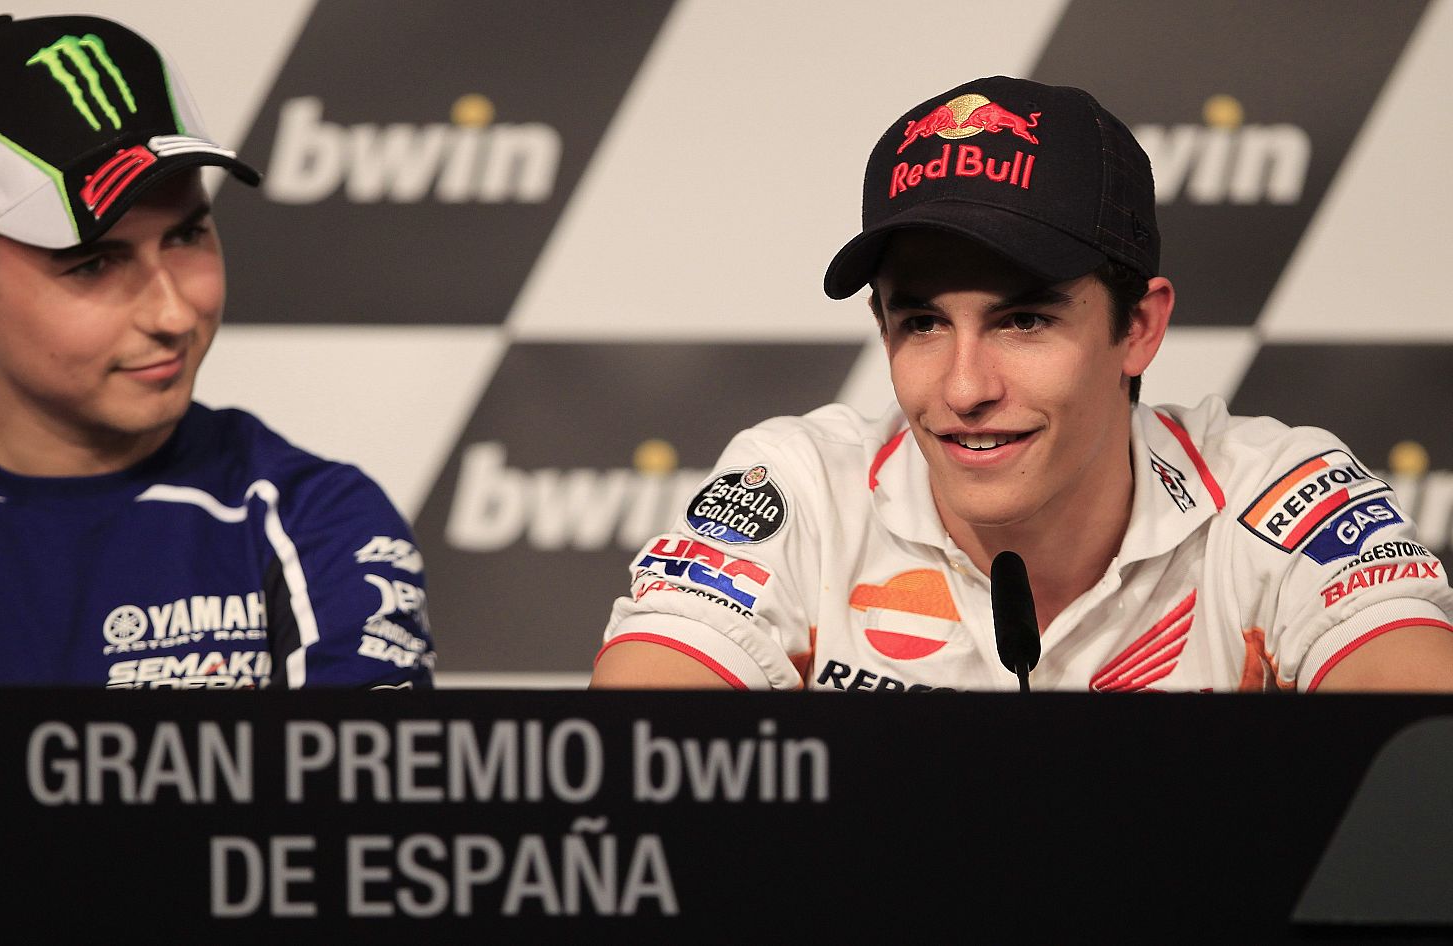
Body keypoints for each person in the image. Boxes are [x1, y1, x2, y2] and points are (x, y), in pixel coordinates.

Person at [592, 75, 1453, 692]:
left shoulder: (1276, 497)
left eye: (1024, 321)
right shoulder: (803, 489)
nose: (965, 388)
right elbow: (637, 771)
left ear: (1139, 327)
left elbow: (1421, 772)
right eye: (923, 323)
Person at [0, 13, 433, 689]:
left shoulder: (316, 519)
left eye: (187, 237)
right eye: (94, 264)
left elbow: (360, 761)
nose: (173, 313)